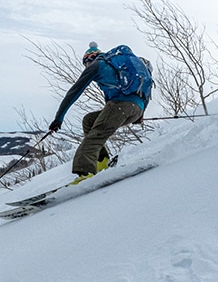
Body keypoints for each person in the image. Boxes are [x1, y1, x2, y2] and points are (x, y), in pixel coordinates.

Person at [49, 42, 151, 184]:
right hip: (135, 109)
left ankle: (85, 173)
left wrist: (58, 118)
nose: (86, 66)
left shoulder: (98, 65)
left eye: (86, 63)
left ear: (89, 59)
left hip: (120, 106)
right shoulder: (118, 66)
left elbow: (74, 91)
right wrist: (140, 115)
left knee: (94, 136)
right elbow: (145, 91)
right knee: (89, 121)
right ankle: (102, 162)